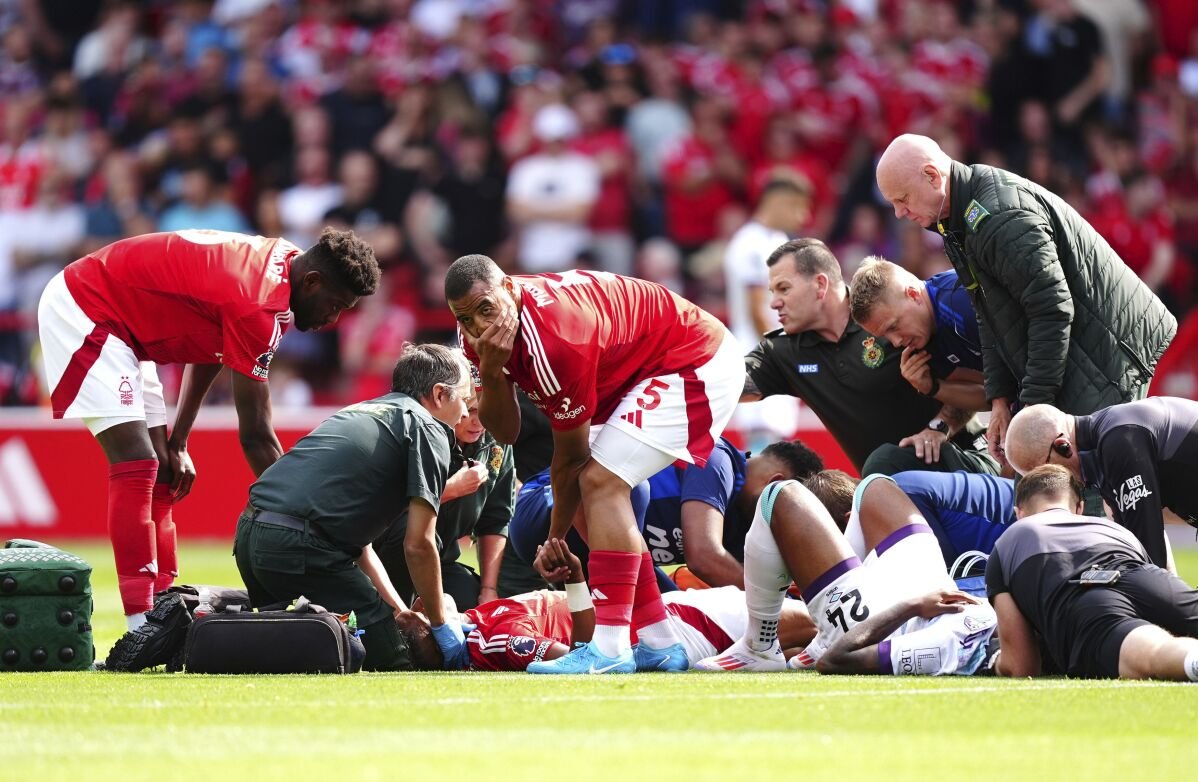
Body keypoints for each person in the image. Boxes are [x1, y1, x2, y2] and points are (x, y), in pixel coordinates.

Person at [37, 228, 379, 630]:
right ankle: (140, 625)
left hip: (124, 324)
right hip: (87, 306)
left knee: (165, 468)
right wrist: (307, 519)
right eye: (335, 305)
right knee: (137, 461)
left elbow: (216, 342)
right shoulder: (259, 304)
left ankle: (165, 610)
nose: (333, 319)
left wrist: (179, 439)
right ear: (312, 282)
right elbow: (255, 435)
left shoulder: (284, 264)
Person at [445, 254, 743, 674]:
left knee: (599, 482)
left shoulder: (557, 341)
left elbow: (570, 459)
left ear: (510, 289)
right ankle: (659, 641)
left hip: (691, 357)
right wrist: (492, 372)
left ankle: (610, 647)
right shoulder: (476, 338)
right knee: (594, 492)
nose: (478, 327)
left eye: (485, 310)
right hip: (632, 367)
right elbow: (506, 433)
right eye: (465, 318)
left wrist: (554, 537)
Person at [875, 133, 1176, 468]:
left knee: (1090, 488)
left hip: (1105, 352)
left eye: (902, 199)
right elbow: (990, 313)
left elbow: (1051, 309)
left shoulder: (997, 216)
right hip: (1083, 347)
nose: (899, 213)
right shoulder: (957, 218)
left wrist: (1032, 407)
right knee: (1063, 484)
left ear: (932, 176)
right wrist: (1001, 397)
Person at [230, 343, 471, 671]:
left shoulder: (362, 410)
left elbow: (360, 545)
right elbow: (419, 543)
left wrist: (399, 610)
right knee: (395, 661)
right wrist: (442, 627)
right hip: (301, 547)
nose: (467, 414)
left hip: (249, 536)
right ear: (441, 394)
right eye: (464, 400)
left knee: (291, 656)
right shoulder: (429, 428)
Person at [695, 474, 995, 675]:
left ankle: (759, 647)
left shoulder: (954, 643)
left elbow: (837, 660)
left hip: (881, 624)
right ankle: (825, 622)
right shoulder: (999, 617)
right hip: (934, 592)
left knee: (780, 495)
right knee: (875, 486)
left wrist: (914, 605)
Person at [742, 238, 994, 476]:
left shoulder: (892, 316)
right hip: (891, 488)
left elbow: (980, 386)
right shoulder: (782, 352)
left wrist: (938, 427)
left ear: (820, 284)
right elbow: (727, 384)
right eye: (772, 291)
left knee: (882, 464)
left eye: (783, 289)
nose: (773, 303)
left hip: (962, 462)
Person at [395, 539, 815, 672]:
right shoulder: (490, 640)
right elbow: (579, 656)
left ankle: (802, 656)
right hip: (666, 630)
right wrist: (577, 587)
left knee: (802, 638)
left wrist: (577, 585)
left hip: (656, 620)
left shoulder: (484, 620)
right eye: (420, 612)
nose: (422, 601)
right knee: (814, 621)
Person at [507, 438, 825, 589]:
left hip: (586, 554)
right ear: (776, 483)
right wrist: (778, 605)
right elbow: (704, 557)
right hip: (547, 506)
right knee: (634, 490)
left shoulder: (745, 523)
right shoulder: (717, 460)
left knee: (654, 607)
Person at [986, 464, 1198, 682]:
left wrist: (993, 660)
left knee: (1155, 652)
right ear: (1080, 507)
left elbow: (1022, 664)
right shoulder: (1116, 530)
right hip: (1145, 576)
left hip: (1088, 598)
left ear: (1019, 512)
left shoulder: (1007, 544)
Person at [374, 372, 516, 611]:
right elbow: (387, 511)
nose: (478, 421)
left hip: (443, 561)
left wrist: (489, 590)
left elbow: (496, 519)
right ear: (447, 401)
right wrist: (451, 489)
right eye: (470, 410)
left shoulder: (497, 441)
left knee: (474, 608)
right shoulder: (419, 432)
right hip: (387, 558)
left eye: (486, 411)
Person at [1003, 398, 1198, 569]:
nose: (1049, 485)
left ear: (1062, 446)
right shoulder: (1104, 446)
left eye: (1046, 472)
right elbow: (1146, 551)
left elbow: (1149, 554)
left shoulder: (1118, 442)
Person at [849, 257, 993, 473]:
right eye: (886, 335)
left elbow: (1021, 372)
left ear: (913, 294)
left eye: (894, 326)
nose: (896, 341)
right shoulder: (919, 341)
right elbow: (988, 395)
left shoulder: (962, 299)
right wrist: (933, 388)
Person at [724, 178, 811, 443]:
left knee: (781, 442)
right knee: (764, 442)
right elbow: (756, 308)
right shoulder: (749, 243)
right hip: (758, 349)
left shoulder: (777, 240)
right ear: (777, 202)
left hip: (774, 347)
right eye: (798, 206)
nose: (803, 216)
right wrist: (777, 352)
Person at [803, 468, 1015, 570]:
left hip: (1022, 534)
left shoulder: (892, 499)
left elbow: (939, 577)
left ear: (850, 519)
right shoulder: (892, 488)